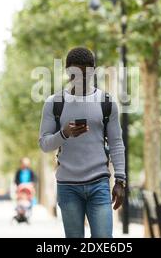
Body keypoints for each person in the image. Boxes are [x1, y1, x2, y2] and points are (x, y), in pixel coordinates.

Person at [39, 47, 126, 238]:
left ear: (93, 71)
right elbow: (45, 144)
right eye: (75, 74)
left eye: (86, 73)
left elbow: (116, 143)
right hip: (67, 186)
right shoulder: (54, 103)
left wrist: (120, 180)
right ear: (68, 72)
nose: (81, 79)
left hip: (99, 183)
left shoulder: (106, 102)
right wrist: (64, 133)